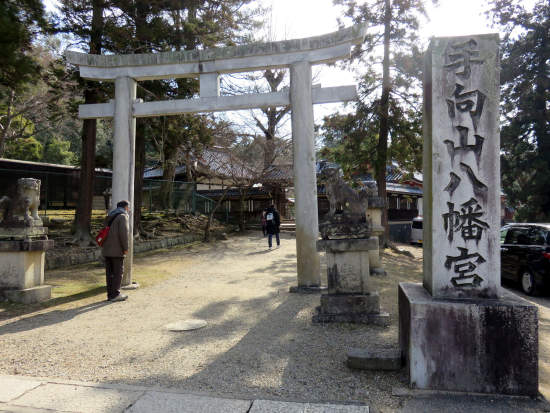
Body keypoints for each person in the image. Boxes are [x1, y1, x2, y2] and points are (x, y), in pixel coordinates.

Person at [102, 200, 130, 302]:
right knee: (118, 273)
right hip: (117, 250)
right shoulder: (122, 216)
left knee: (109, 274)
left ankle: (110, 295)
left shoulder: (109, 216)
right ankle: (116, 295)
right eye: (128, 207)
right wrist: (125, 248)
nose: (129, 209)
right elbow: (124, 234)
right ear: (125, 207)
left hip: (107, 249)